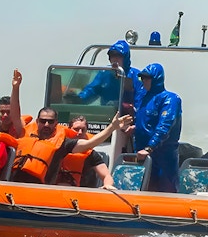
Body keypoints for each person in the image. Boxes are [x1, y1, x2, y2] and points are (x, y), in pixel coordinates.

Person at [12, 107, 132, 185]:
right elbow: (15, 117)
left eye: (50, 121)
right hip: (15, 186)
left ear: (56, 123)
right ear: (37, 122)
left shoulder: (63, 143)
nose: (46, 124)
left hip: (45, 190)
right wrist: (15, 87)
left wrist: (111, 128)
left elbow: (90, 143)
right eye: (43, 121)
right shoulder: (25, 135)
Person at [133, 63, 182, 192]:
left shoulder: (170, 99)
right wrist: (133, 127)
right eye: (142, 78)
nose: (144, 81)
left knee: (165, 190)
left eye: (147, 78)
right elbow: (142, 120)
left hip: (163, 156)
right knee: (143, 188)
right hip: (142, 154)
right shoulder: (142, 98)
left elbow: (164, 126)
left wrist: (149, 148)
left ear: (156, 79)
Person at [76, 40, 143, 112]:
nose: (115, 59)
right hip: (107, 115)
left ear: (125, 58)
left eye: (119, 56)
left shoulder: (136, 75)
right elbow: (92, 89)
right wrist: (78, 99)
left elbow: (141, 98)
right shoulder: (104, 73)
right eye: (112, 56)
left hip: (128, 117)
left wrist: (128, 107)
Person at [56, 116, 115, 189]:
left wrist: (107, 185)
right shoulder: (59, 147)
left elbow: (107, 176)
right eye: (76, 129)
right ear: (69, 130)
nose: (80, 132)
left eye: (83, 130)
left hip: (82, 193)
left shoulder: (91, 154)